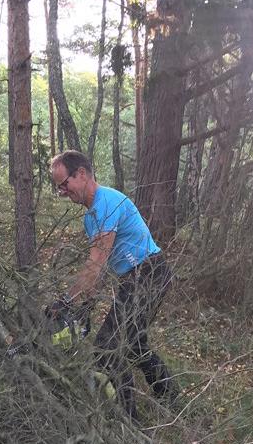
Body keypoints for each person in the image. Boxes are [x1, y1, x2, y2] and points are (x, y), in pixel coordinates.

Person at [49, 150, 175, 420]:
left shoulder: (107, 203)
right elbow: (101, 265)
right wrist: (86, 303)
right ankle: (170, 395)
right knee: (133, 343)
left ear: (81, 174)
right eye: (58, 187)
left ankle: (129, 421)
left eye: (63, 184)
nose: (61, 192)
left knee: (107, 346)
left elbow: (95, 263)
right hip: (135, 278)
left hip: (149, 274)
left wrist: (66, 301)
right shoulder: (90, 216)